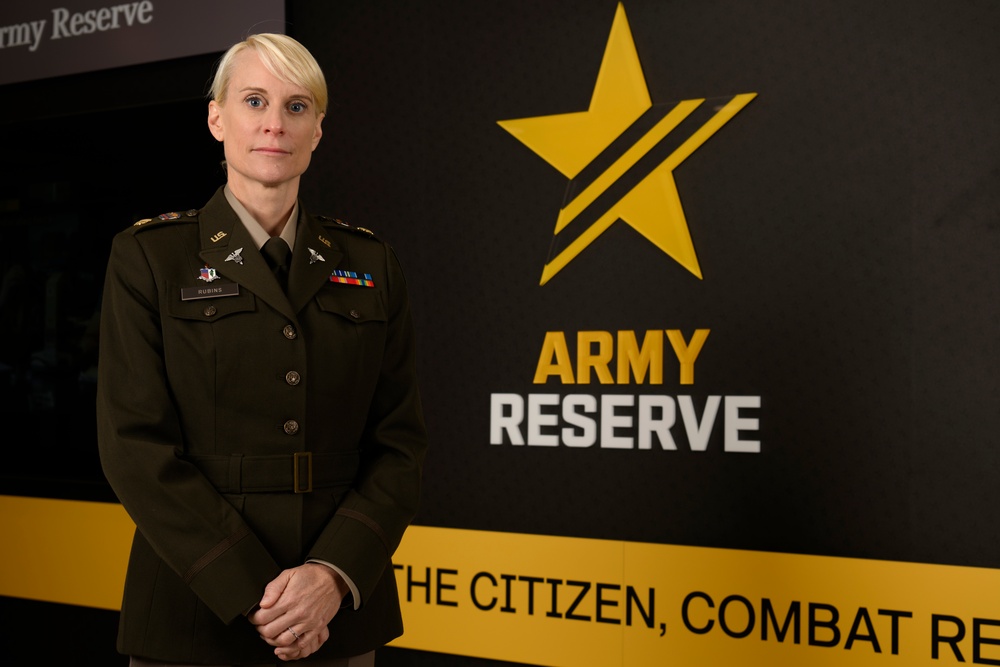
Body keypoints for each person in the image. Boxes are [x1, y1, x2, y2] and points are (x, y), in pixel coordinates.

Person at [97, 33, 427, 666]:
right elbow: (132, 447)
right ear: (217, 119)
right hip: (195, 607)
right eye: (254, 100)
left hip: (336, 615)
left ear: (318, 129)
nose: (275, 123)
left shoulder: (370, 262)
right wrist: (255, 592)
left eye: (296, 106)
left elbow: (400, 443)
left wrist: (331, 577)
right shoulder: (148, 258)